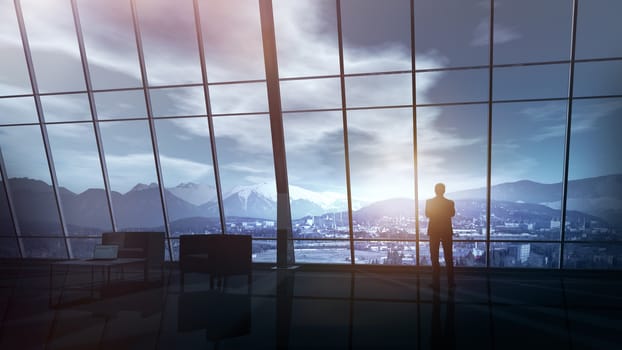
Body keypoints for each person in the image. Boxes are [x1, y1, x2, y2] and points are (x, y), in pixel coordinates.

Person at [426, 183, 455, 289]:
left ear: (435, 190)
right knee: (448, 256)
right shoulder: (450, 203)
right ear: (444, 191)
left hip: (434, 231)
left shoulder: (429, 202)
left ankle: (435, 283)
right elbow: (452, 214)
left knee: (434, 257)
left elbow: (428, 214)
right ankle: (451, 282)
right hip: (446, 231)